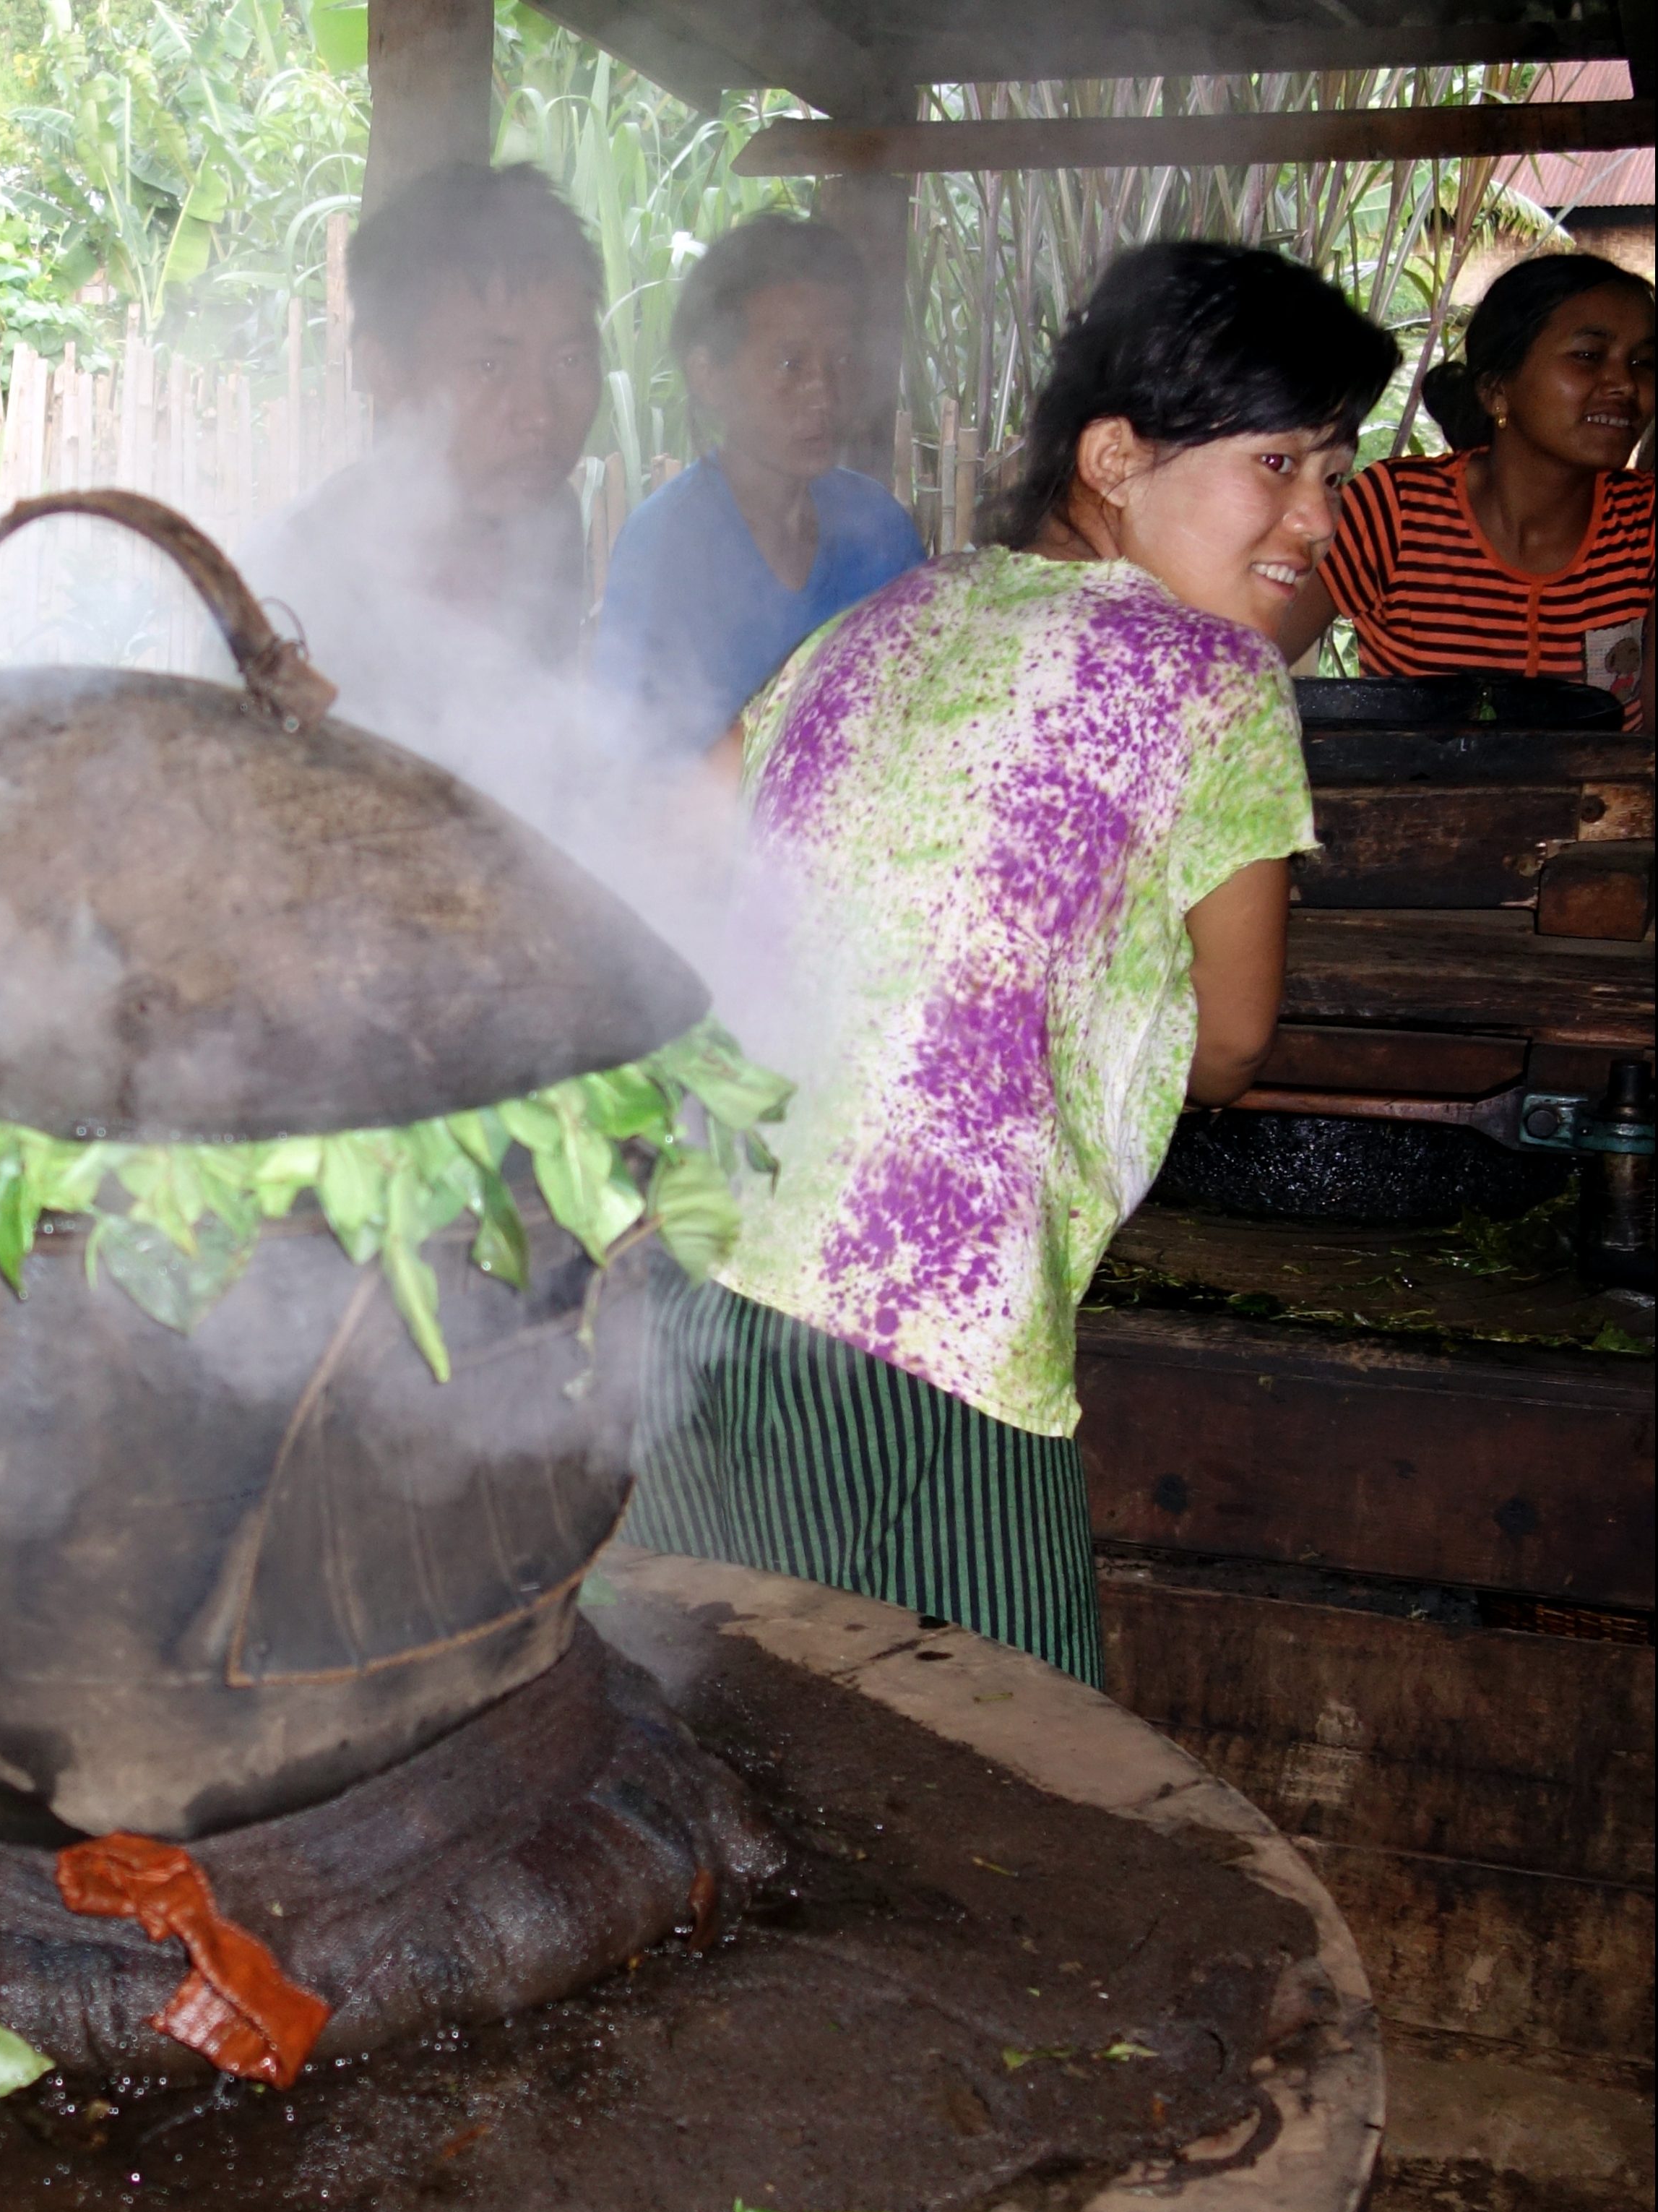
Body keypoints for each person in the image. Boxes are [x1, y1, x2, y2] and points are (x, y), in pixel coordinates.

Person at [628, 241, 1397, 1684]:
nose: (1315, 515)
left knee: (703, 1715)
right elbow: (1233, 1042)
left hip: (699, 1273)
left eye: (1334, 473)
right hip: (935, 1312)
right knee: (997, 1757)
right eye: (1276, 462)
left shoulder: (892, 609)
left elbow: (671, 849)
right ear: (1113, 457)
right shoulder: (1218, 680)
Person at [245, 161, 603, 756]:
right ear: (385, 371)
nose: (539, 413)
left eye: (568, 361)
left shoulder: (550, 523)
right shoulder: (283, 593)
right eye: (489, 366)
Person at [591, 218, 923, 760]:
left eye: (841, 359)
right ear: (708, 377)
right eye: (790, 364)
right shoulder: (665, 550)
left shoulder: (882, 531)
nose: (823, 392)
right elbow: (627, 766)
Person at [1281, 251, 1654, 724]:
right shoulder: (1397, 512)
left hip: (1603, 777)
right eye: (1588, 356)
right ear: (1497, 391)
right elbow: (1247, 665)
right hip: (1419, 777)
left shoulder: (1643, 525)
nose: (1624, 384)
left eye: (1644, 362)